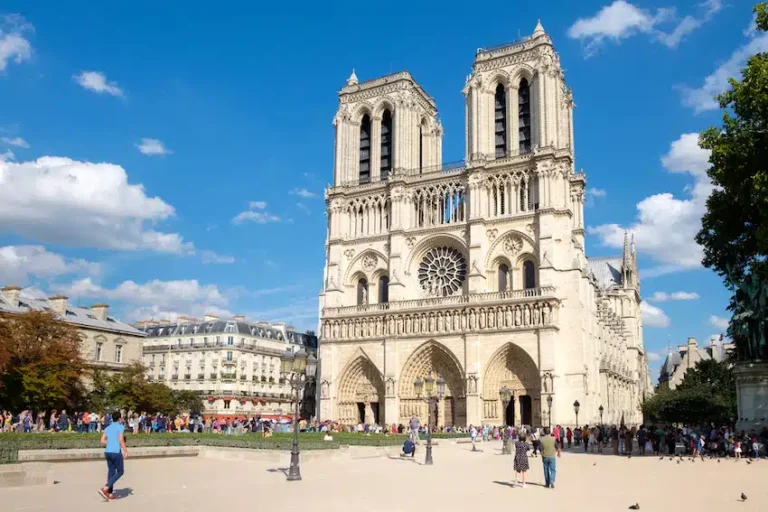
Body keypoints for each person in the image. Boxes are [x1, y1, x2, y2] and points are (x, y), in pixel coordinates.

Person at [99, 412, 128, 501]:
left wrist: (110, 442)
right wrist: (125, 450)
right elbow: (121, 440)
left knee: (111, 471)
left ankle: (109, 492)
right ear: (119, 419)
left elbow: (102, 441)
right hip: (115, 452)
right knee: (120, 471)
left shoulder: (108, 427)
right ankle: (105, 488)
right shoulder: (120, 427)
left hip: (107, 452)